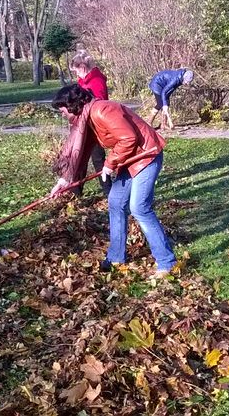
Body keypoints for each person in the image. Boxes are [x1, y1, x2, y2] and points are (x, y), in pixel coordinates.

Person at [50, 84, 177, 276]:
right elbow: (80, 153)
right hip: (130, 159)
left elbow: (129, 138)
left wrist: (109, 163)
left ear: (73, 105)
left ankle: (167, 262)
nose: (62, 114)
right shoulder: (87, 119)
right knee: (116, 202)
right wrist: (64, 180)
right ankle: (116, 257)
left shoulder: (103, 110)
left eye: (62, 110)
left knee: (139, 208)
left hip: (147, 156)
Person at [71, 51, 111, 195]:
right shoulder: (83, 80)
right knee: (79, 158)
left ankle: (108, 191)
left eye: (76, 70)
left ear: (82, 66)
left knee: (98, 159)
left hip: (95, 125)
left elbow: (100, 103)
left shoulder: (96, 80)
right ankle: (76, 192)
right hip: (84, 124)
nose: (76, 74)